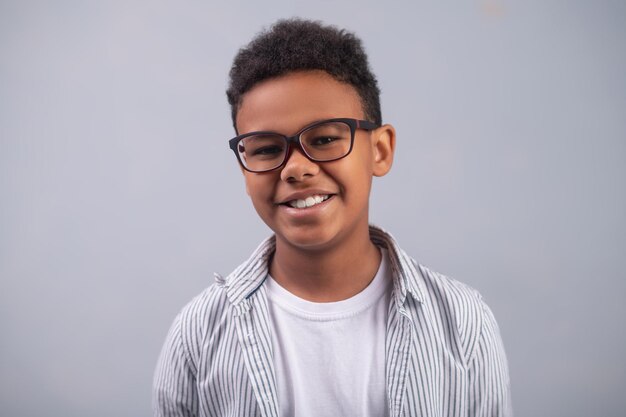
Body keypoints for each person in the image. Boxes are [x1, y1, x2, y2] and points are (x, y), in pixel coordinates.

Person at [153, 18, 512, 417]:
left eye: (324, 140)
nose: (296, 168)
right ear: (244, 169)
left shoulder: (463, 322)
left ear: (380, 150)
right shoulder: (199, 334)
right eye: (267, 149)